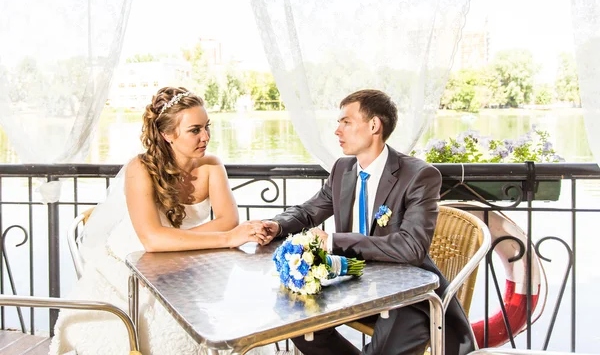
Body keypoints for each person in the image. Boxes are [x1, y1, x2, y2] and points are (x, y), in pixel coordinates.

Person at [50, 87, 269, 355]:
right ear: (167, 134)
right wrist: (226, 238)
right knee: (167, 328)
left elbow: (228, 220)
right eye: (195, 130)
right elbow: (152, 239)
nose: (206, 137)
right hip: (130, 261)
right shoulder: (140, 168)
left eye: (207, 127)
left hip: (185, 257)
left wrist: (182, 244)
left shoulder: (212, 166)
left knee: (234, 318)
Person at [257, 89, 476, 355]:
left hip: (409, 296)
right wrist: (276, 225)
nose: (337, 131)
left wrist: (335, 242)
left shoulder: (419, 176)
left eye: (346, 122)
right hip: (352, 283)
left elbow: (412, 248)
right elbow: (309, 212)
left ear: (374, 125)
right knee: (299, 325)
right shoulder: (342, 170)